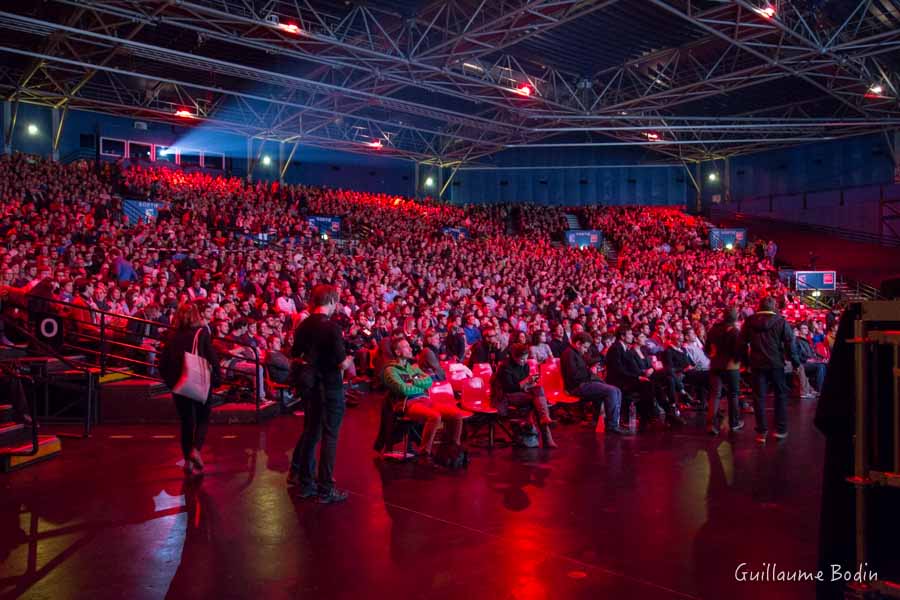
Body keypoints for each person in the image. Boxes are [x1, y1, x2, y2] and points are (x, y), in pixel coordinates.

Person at [288, 284, 354, 504]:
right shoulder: (331, 328)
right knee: (329, 436)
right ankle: (326, 488)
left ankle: (306, 484)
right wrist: (348, 361)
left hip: (311, 387)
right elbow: (341, 362)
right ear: (332, 301)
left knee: (311, 432)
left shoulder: (303, 324)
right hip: (330, 387)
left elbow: (295, 353)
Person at [159, 302, 222, 477]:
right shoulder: (201, 333)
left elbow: (162, 364)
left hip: (180, 384)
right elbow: (212, 358)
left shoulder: (171, 335)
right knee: (202, 418)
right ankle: (196, 450)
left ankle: (188, 460)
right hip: (199, 381)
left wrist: (172, 383)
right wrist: (217, 378)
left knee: (187, 422)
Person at [383, 337, 467, 461]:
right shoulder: (390, 370)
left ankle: (452, 450)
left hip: (425, 400)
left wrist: (413, 382)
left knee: (457, 415)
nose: (410, 348)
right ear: (398, 352)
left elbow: (428, 381)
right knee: (435, 416)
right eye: (406, 347)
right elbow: (403, 390)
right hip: (407, 404)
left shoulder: (413, 368)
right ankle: (425, 453)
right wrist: (419, 384)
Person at [739, 296, 799, 443]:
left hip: (757, 364)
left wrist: (746, 363)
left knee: (759, 398)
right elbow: (790, 343)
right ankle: (780, 429)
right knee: (781, 396)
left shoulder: (749, 321)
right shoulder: (780, 321)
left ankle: (761, 432)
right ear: (773, 306)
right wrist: (795, 363)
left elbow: (741, 344)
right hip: (775, 364)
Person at [561, 332, 630, 434]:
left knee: (616, 390)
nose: (585, 350)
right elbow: (574, 376)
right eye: (584, 347)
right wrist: (591, 373)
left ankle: (614, 423)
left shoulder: (576, 353)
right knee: (611, 391)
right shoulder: (569, 354)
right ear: (578, 343)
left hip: (584, 383)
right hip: (577, 387)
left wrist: (592, 374)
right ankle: (612, 426)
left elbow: (583, 371)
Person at [493, 343, 556, 447]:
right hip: (506, 395)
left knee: (538, 389)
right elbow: (509, 388)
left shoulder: (525, 365)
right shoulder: (505, 367)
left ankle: (545, 418)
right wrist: (526, 381)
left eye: (525, 359)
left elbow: (523, 386)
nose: (524, 362)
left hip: (521, 393)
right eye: (521, 359)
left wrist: (531, 383)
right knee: (537, 401)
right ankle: (547, 436)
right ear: (514, 357)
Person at [704, 308, 744, 435]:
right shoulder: (735, 331)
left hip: (715, 365)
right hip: (731, 366)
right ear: (735, 318)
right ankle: (734, 423)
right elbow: (738, 351)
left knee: (715, 395)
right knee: (733, 394)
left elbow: (706, 347)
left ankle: (711, 425)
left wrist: (713, 356)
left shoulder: (713, 330)